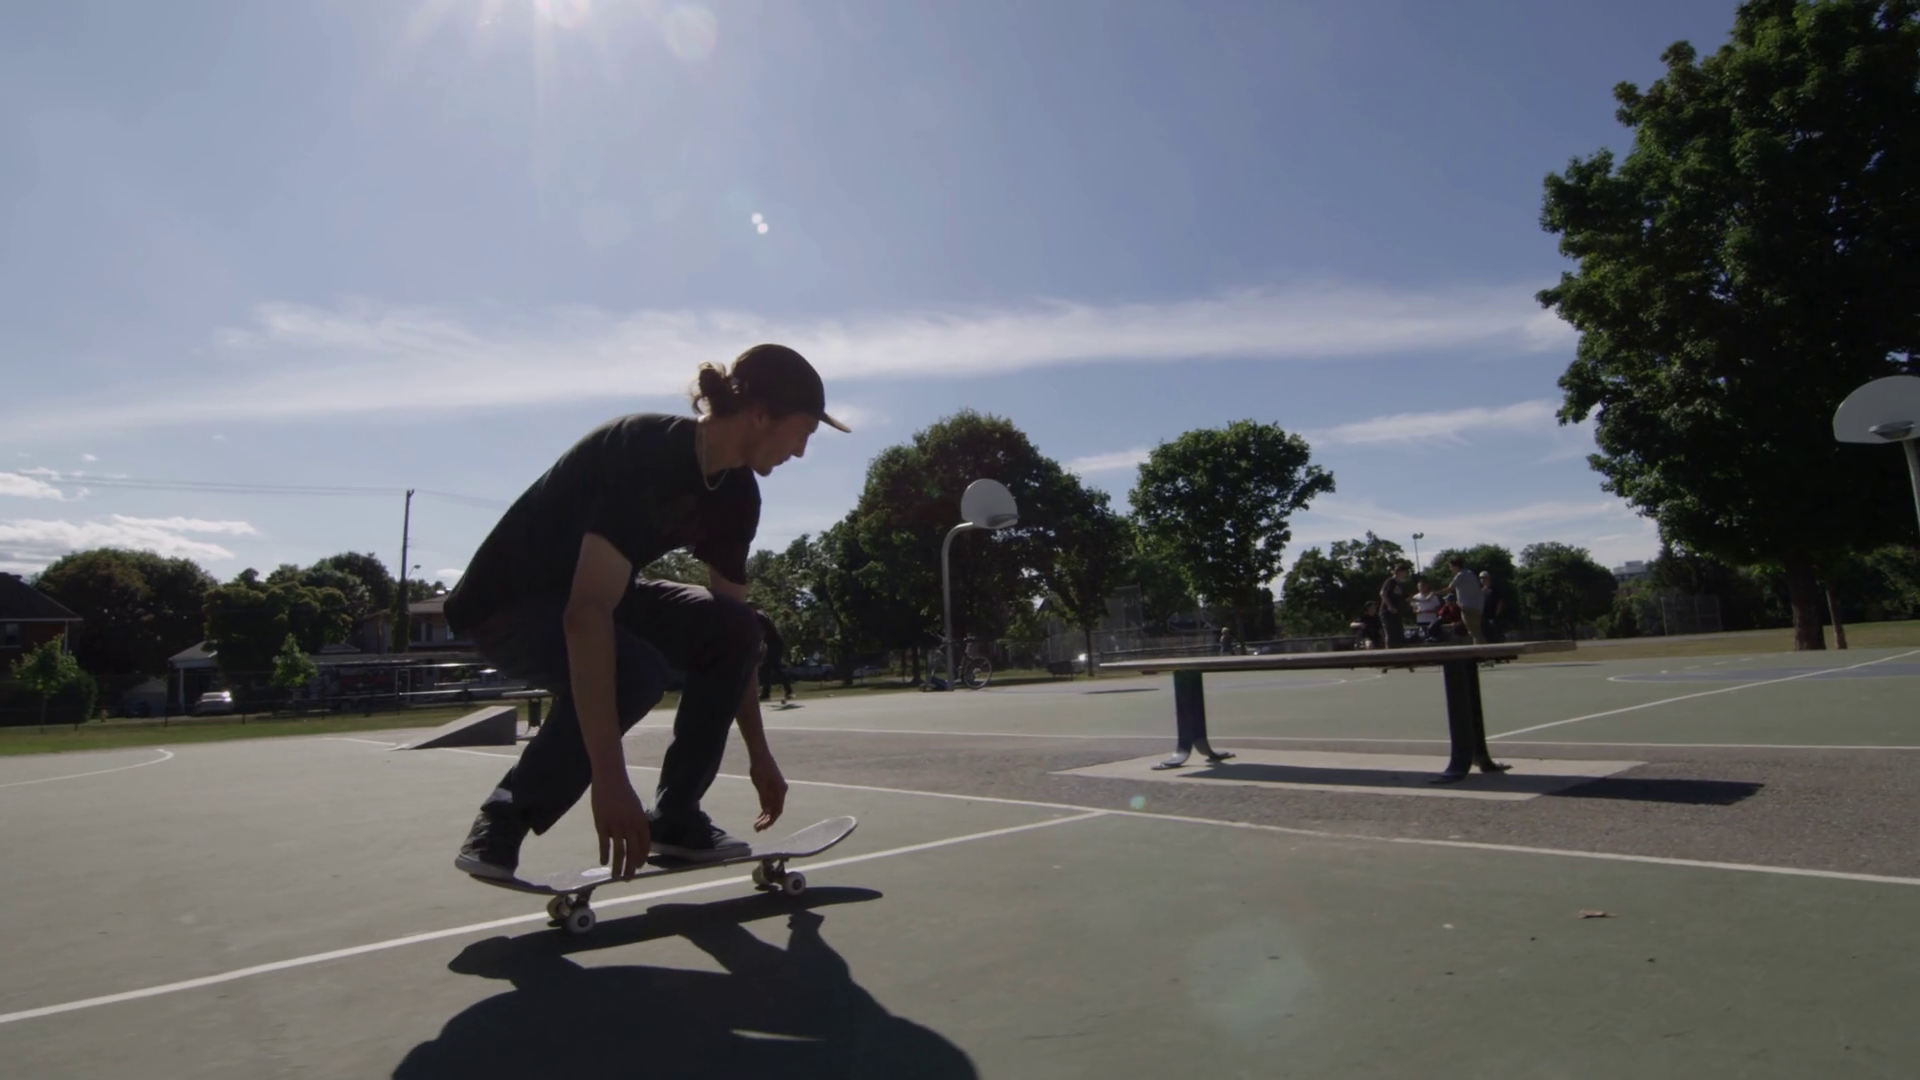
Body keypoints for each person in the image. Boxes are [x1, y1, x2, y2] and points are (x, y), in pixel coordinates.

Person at [446, 344, 849, 882]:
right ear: (760, 415)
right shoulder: (643, 451)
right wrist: (610, 781)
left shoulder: (736, 496)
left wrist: (759, 751)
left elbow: (737, 639)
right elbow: (584, 617)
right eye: (803, 433)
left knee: (735, 626)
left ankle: (676, 816)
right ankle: (505, 816)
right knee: (635, 672)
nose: (800, 452)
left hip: (599, 594)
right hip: (508, 603)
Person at [751, 603, 794, 705]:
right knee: (769, 668)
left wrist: (759, 646)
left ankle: (777, 692)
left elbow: (762, 633)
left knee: (770, 667)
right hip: (772, 644)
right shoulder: (759, 616)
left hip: (774, 644)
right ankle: (778, 691)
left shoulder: (759, 617)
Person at [1437, 556, 1485, 644]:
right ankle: (1481, 652)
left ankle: (1482, 653)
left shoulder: (1460, 576)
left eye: (1451, 567)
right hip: (1477, 607)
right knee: (1476, 631)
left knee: (1474, 633)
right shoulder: (1470, 573)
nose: (1451, 569)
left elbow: (1449, 589)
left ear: (1456, 566)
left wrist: (1434, 593)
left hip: (1468, 608)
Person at [1379, 562, 1412, 648]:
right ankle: (1388, 653)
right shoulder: (1391, 581)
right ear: (1399, 572)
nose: (1405, 575)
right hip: (1387, 612)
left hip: (1397, 613)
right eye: (1404, 572)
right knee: (1390, 633)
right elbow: (1383, 593)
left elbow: (1407, 597)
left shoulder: (1401, 585)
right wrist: (1390, 606)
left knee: (1399, 634)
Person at [1479, 571, 1509, 645]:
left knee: (1497, 635)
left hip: (1494, 616)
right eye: (1481, 578)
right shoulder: (1481, 591)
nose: (1483, 580)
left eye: (1484, 578)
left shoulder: (1495, 589)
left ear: (1488, 578)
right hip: (1484, 616)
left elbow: (1500, 602)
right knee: (1487, 636)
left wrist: (1496, 614)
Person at [1412, 576, 1443, 642]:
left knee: (1434, 638)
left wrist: (1430, 611)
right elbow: (1414, 609)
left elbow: (1438, 609)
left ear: (1427, 586)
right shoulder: (1415, 597)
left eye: (1423, 586)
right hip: (1421, 620)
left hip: (1432, 620)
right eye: (1420, 586)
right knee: (1423, 637)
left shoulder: (1433, 596)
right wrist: (1419, 611)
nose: (1421, 588)